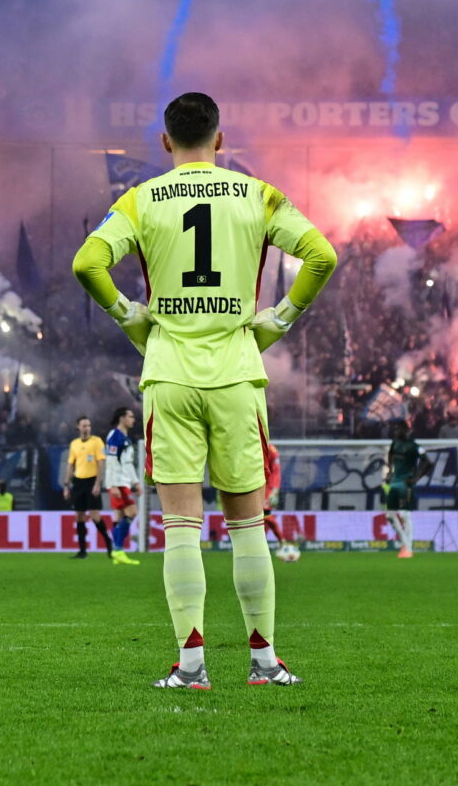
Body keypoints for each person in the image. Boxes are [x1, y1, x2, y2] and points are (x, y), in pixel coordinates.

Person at [72, 91, 337, 690]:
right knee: (247, 524)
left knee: (181, 526)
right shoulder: (258, 194)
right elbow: (322, 255)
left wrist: (128, 316)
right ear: (221, 140)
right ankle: (264, 662)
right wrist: (277, 320)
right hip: (238, 373)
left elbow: (87, 263)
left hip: (169, 373)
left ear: (166, 143)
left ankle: (190, 667)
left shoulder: (140, 200)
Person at [67, 416, 113, 559]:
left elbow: (101, 463)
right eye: (84, 425)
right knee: (79, 516)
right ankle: (82, 551)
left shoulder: (97, 442)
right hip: (78, 482)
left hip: (92, 481)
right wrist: (66, 484)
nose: (86, 428)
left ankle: (109, 544)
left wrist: (98, 484)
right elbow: (70, 465)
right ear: (78, 427)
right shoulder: (74, 444)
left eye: (88, 425)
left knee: (94, 515)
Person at [104, 407, 144, 566]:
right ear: (122, 418)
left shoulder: (125, 438)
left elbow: (127, 464)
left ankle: (117, 553)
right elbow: (111, 461)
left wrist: (135, 482)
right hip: (118, 482)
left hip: (124, 482)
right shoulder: (115, 436)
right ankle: (118, 549)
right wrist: (112, 485)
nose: (133, 419)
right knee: (133, 512)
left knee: (119, 517)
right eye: (130, 416)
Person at [382, 421, 422, 559]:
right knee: (391, 516)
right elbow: (388, 465)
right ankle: (406, 546)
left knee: (405, 515)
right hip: (391, 484)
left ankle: (407, 547)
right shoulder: (391, 447)